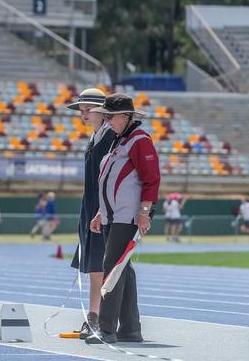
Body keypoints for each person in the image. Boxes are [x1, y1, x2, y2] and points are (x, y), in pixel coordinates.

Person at [87, 93, 160, 344]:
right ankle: (130, 329)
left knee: (113, 269)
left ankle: (106, 329)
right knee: (123, 270)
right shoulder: (119, 142)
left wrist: (144, 212)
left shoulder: (139, 141)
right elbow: (109, 180)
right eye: (104, 115)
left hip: (127, 217)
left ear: (127, 116)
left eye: (111, 116)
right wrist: (100, 212)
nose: (107, 120)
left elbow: (151, 178)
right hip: (111, 216)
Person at [67, 88, 115, 339]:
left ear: (102, 111)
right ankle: (96, 317)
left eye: (88, 109)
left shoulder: (109, 138)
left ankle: (97, 318)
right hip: (90, 208)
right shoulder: (97, 137)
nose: (83, 114)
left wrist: (101, 210)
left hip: (102, 209)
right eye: (81, 110)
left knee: (100, 266)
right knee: (95, 266)